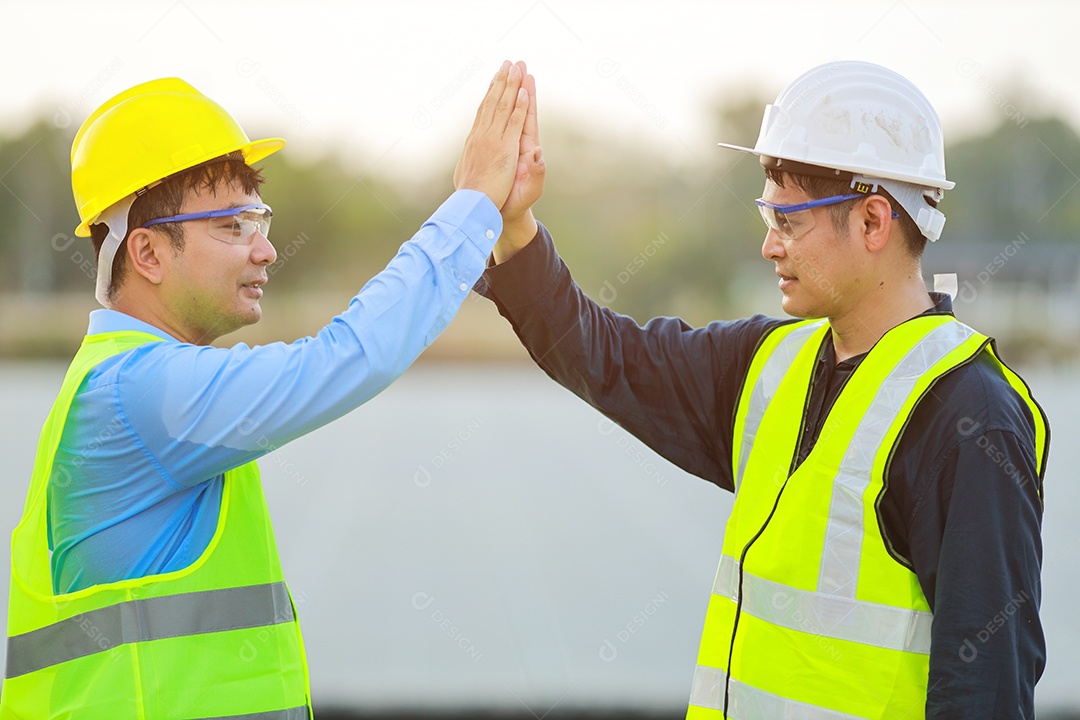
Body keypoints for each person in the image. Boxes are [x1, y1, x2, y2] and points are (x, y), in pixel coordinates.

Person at [478, 61, 1049, 718]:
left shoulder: (970, 417)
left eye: (789, 222)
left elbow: (987, 693)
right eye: (767, 217)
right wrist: (513, 224)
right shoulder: (768, 365)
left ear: (872, 222)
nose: (768, 246)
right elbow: (605, 356)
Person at [1, 62, 532, 719]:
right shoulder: (140, 392)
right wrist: (473, 204)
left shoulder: (124, 381)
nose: (266, 251)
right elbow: (347, 358)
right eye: (234, 226)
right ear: (146, 254)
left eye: (261, 220)